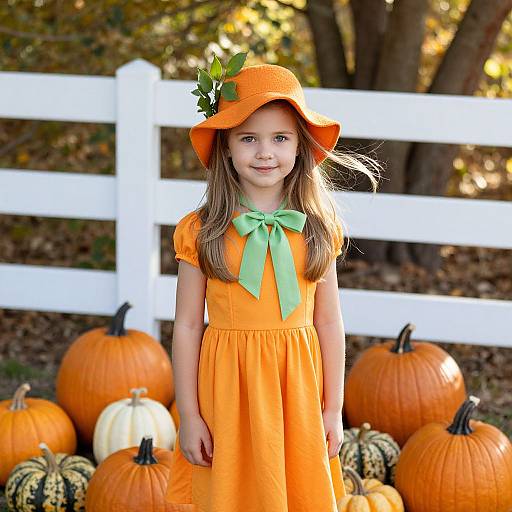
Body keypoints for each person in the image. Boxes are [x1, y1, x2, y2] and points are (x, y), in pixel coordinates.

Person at [165, 62, 381, 512]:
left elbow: (328, 320)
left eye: (280, 138)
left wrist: (333, 408)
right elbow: (186, 326)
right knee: (234, 490)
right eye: (249, 138)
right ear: (225, 147)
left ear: (301, 146)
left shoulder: (318, 229)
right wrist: (189, 415)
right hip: (228, 388)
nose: (266, 152)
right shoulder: (202, 230)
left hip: (297, 386)